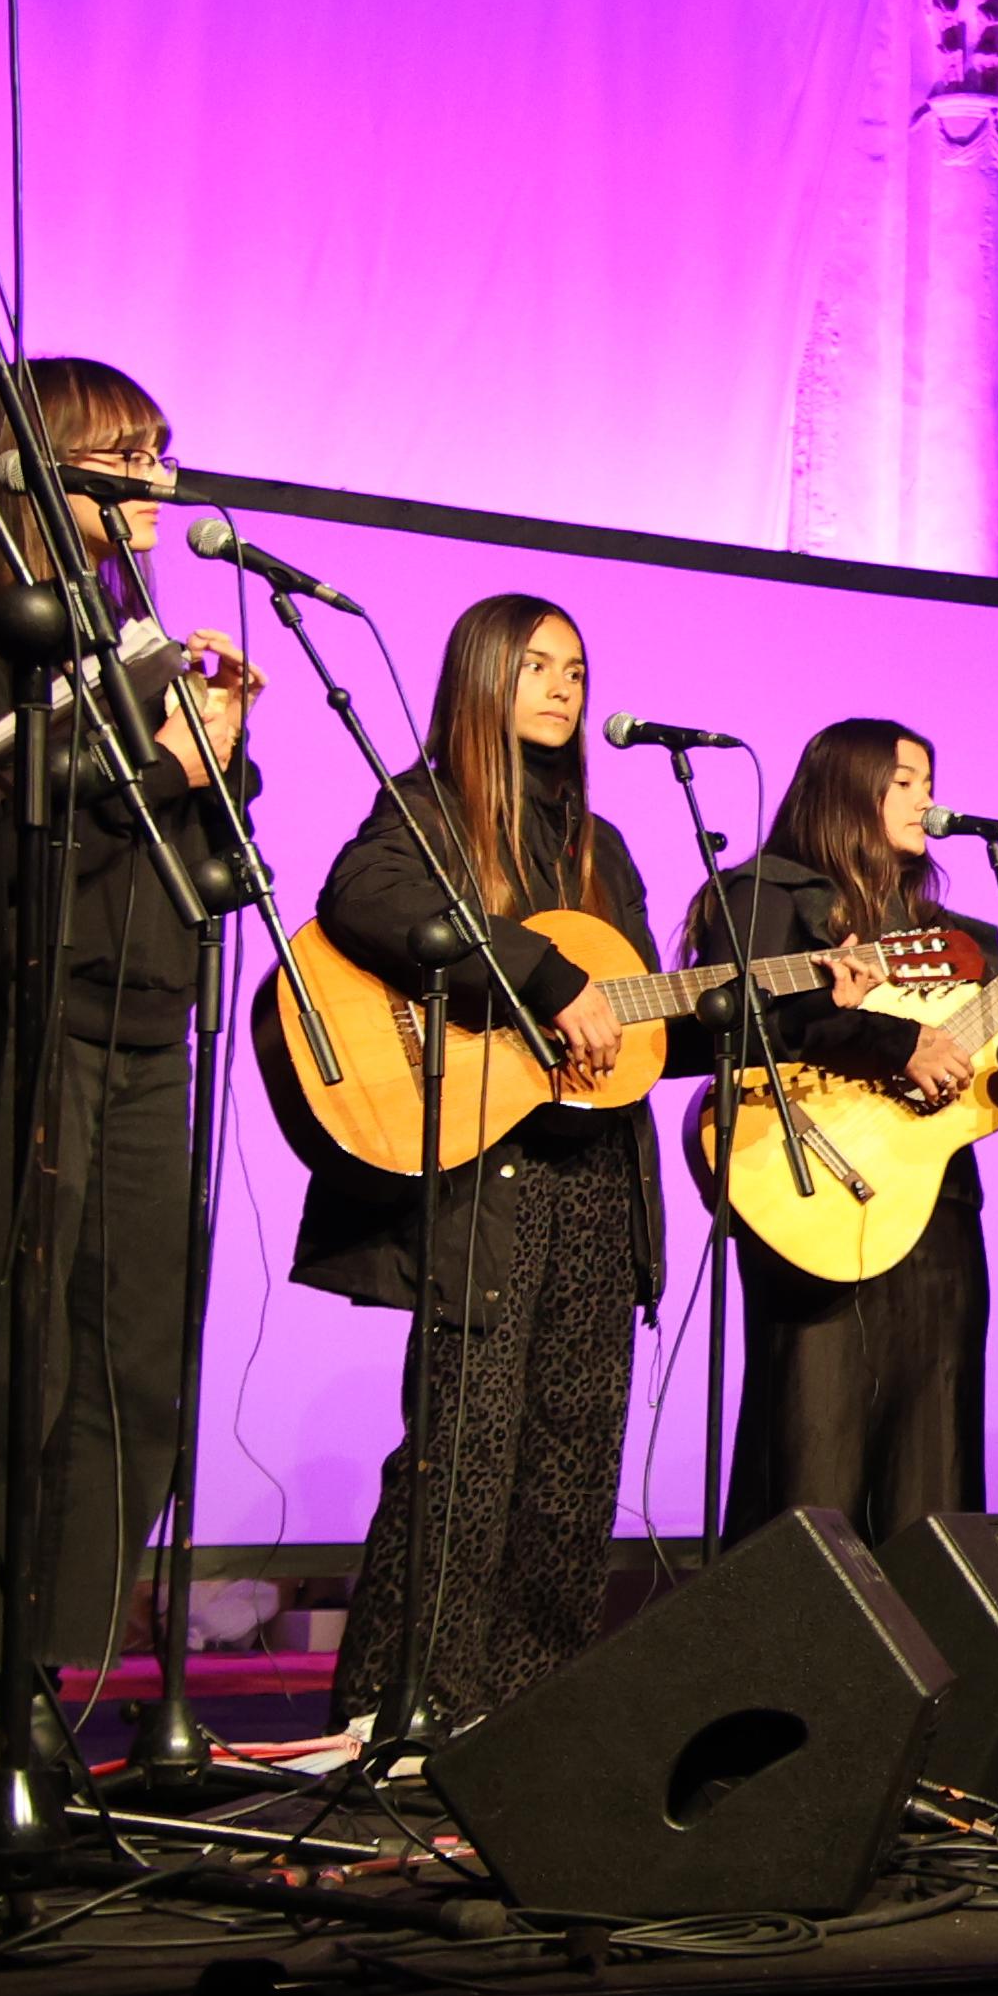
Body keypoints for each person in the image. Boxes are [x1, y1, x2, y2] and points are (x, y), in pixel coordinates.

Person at [293, 594, 689, 1733]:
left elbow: (639, 1021)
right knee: (463, 1453)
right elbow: (361, 898)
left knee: (572, 1466)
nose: (564, 686)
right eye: (536, 667)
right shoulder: (430, 806)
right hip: (489, 1183)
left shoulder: (597, 846)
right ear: (481, 680)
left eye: (576, 666)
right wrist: (540, 976)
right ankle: (400, 1715)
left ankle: (524, 1721)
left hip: (598, 1181)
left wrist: (796, 1003)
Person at [0, 360, 261, 1686]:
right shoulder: (1, 623)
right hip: (31, 1016)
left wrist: (215, 750)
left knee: (132, 1376)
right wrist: (156, 758)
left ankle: (62, 1688)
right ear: (50, 463)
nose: (159, 479)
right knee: (11, 1366)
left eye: (163, 449)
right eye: (133, 455)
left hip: (153, 1022)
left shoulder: (128, 621)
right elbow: (12, 815)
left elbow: (179, 821)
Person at [698, 719, 998, 1547]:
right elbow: (753, 1029)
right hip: (811, 1189)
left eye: (928, 781)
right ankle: (790, 1662)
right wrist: (890, 1038)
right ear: (845, 788)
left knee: (930, 1453)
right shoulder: (764, 894)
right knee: (814, 1444)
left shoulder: (954, 938)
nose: (925, 798)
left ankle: (927, 1668)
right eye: (903, 780)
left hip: (933, 1205)